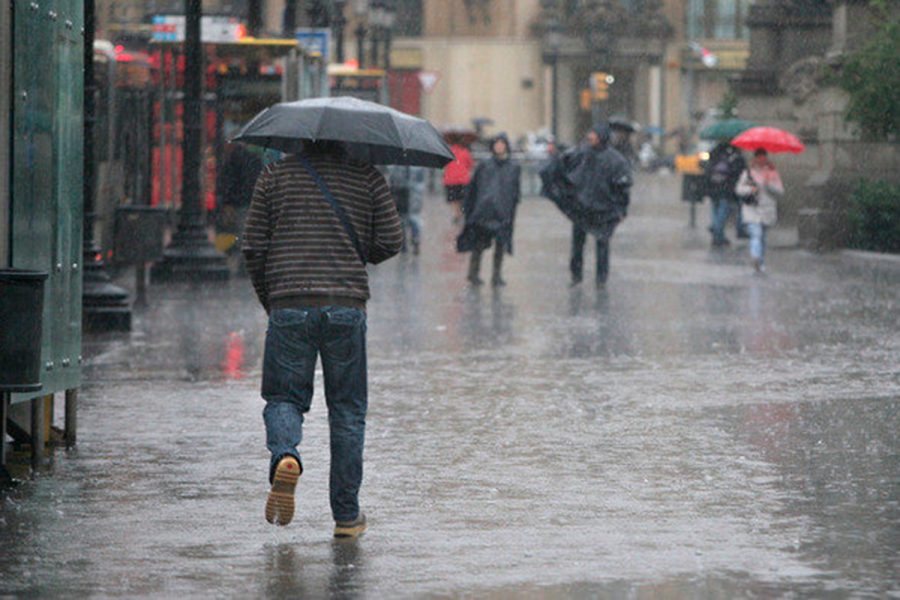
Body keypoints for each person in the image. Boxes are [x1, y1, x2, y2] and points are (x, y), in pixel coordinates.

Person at [242, 140, 403, 539]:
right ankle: (347, 516)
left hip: (289, 301)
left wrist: (272, 298)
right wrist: (352, 248)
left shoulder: (274, 176)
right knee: (347, 410)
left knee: (283, 397)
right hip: (346, 304)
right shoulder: (367, 176)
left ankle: (286, 456)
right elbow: (391, 241)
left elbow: (253, 246)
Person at [567, 123, 632, 287]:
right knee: (577, 245)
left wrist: (621, 209)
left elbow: (622, 187)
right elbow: (569, 172)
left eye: (594, 135)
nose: (590, 138)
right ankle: (576, 276)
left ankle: (601, 279)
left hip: (603, 210)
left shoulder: (615, 160)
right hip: (581, 208)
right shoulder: (582, 154)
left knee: (602, 245)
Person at [456, 133, 521, 287]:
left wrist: (510, 208)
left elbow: (514, 191)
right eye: (496, 144)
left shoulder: (513, 167)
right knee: (478, 245)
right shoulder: (485, 165)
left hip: (502, 212)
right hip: (484, 211)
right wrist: (470, 207)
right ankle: (473, 274)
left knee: (500, 245)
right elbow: (474, 187)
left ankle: (496, 276)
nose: (499, 146)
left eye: (502, 143)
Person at [735, 148, 784, 273]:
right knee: (756, 235)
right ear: (755, 158)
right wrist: (750, 189)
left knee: (762, 237)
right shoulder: (748, 172)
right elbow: (739, 189)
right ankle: (755, 257)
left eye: (763, 158)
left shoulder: (772, 173)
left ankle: (760, 262)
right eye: (759, 158)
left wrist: (769, 185)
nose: (761, 160)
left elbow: (780, 191)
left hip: (767, 209)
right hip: (752, 209)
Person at [704, 141, 747, 247]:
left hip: (713, 188)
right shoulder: (734, 157)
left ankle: (718, 233)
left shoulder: (714, 155)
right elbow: (738, 173)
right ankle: (718, 235)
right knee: (722, 213)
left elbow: (706, 169)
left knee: (715, 212)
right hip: (725, 190)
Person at [386, 164, 427, 255]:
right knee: (414, 218)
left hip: (401, 195)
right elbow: (421, 182)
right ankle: (415, 239)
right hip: (413, 195)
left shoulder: (395, 165)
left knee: (402, 219)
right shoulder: (418, 165)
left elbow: (393, 182)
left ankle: (404, 243)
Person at [443, 141, 473, 224]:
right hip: (463, 179)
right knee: (462, 198)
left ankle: (457, 214)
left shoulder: (448, 151)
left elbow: (444, 163)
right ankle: (460, 212)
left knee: (453, 199)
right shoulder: (465, 152)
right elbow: (470, 164)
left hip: (450, 180)